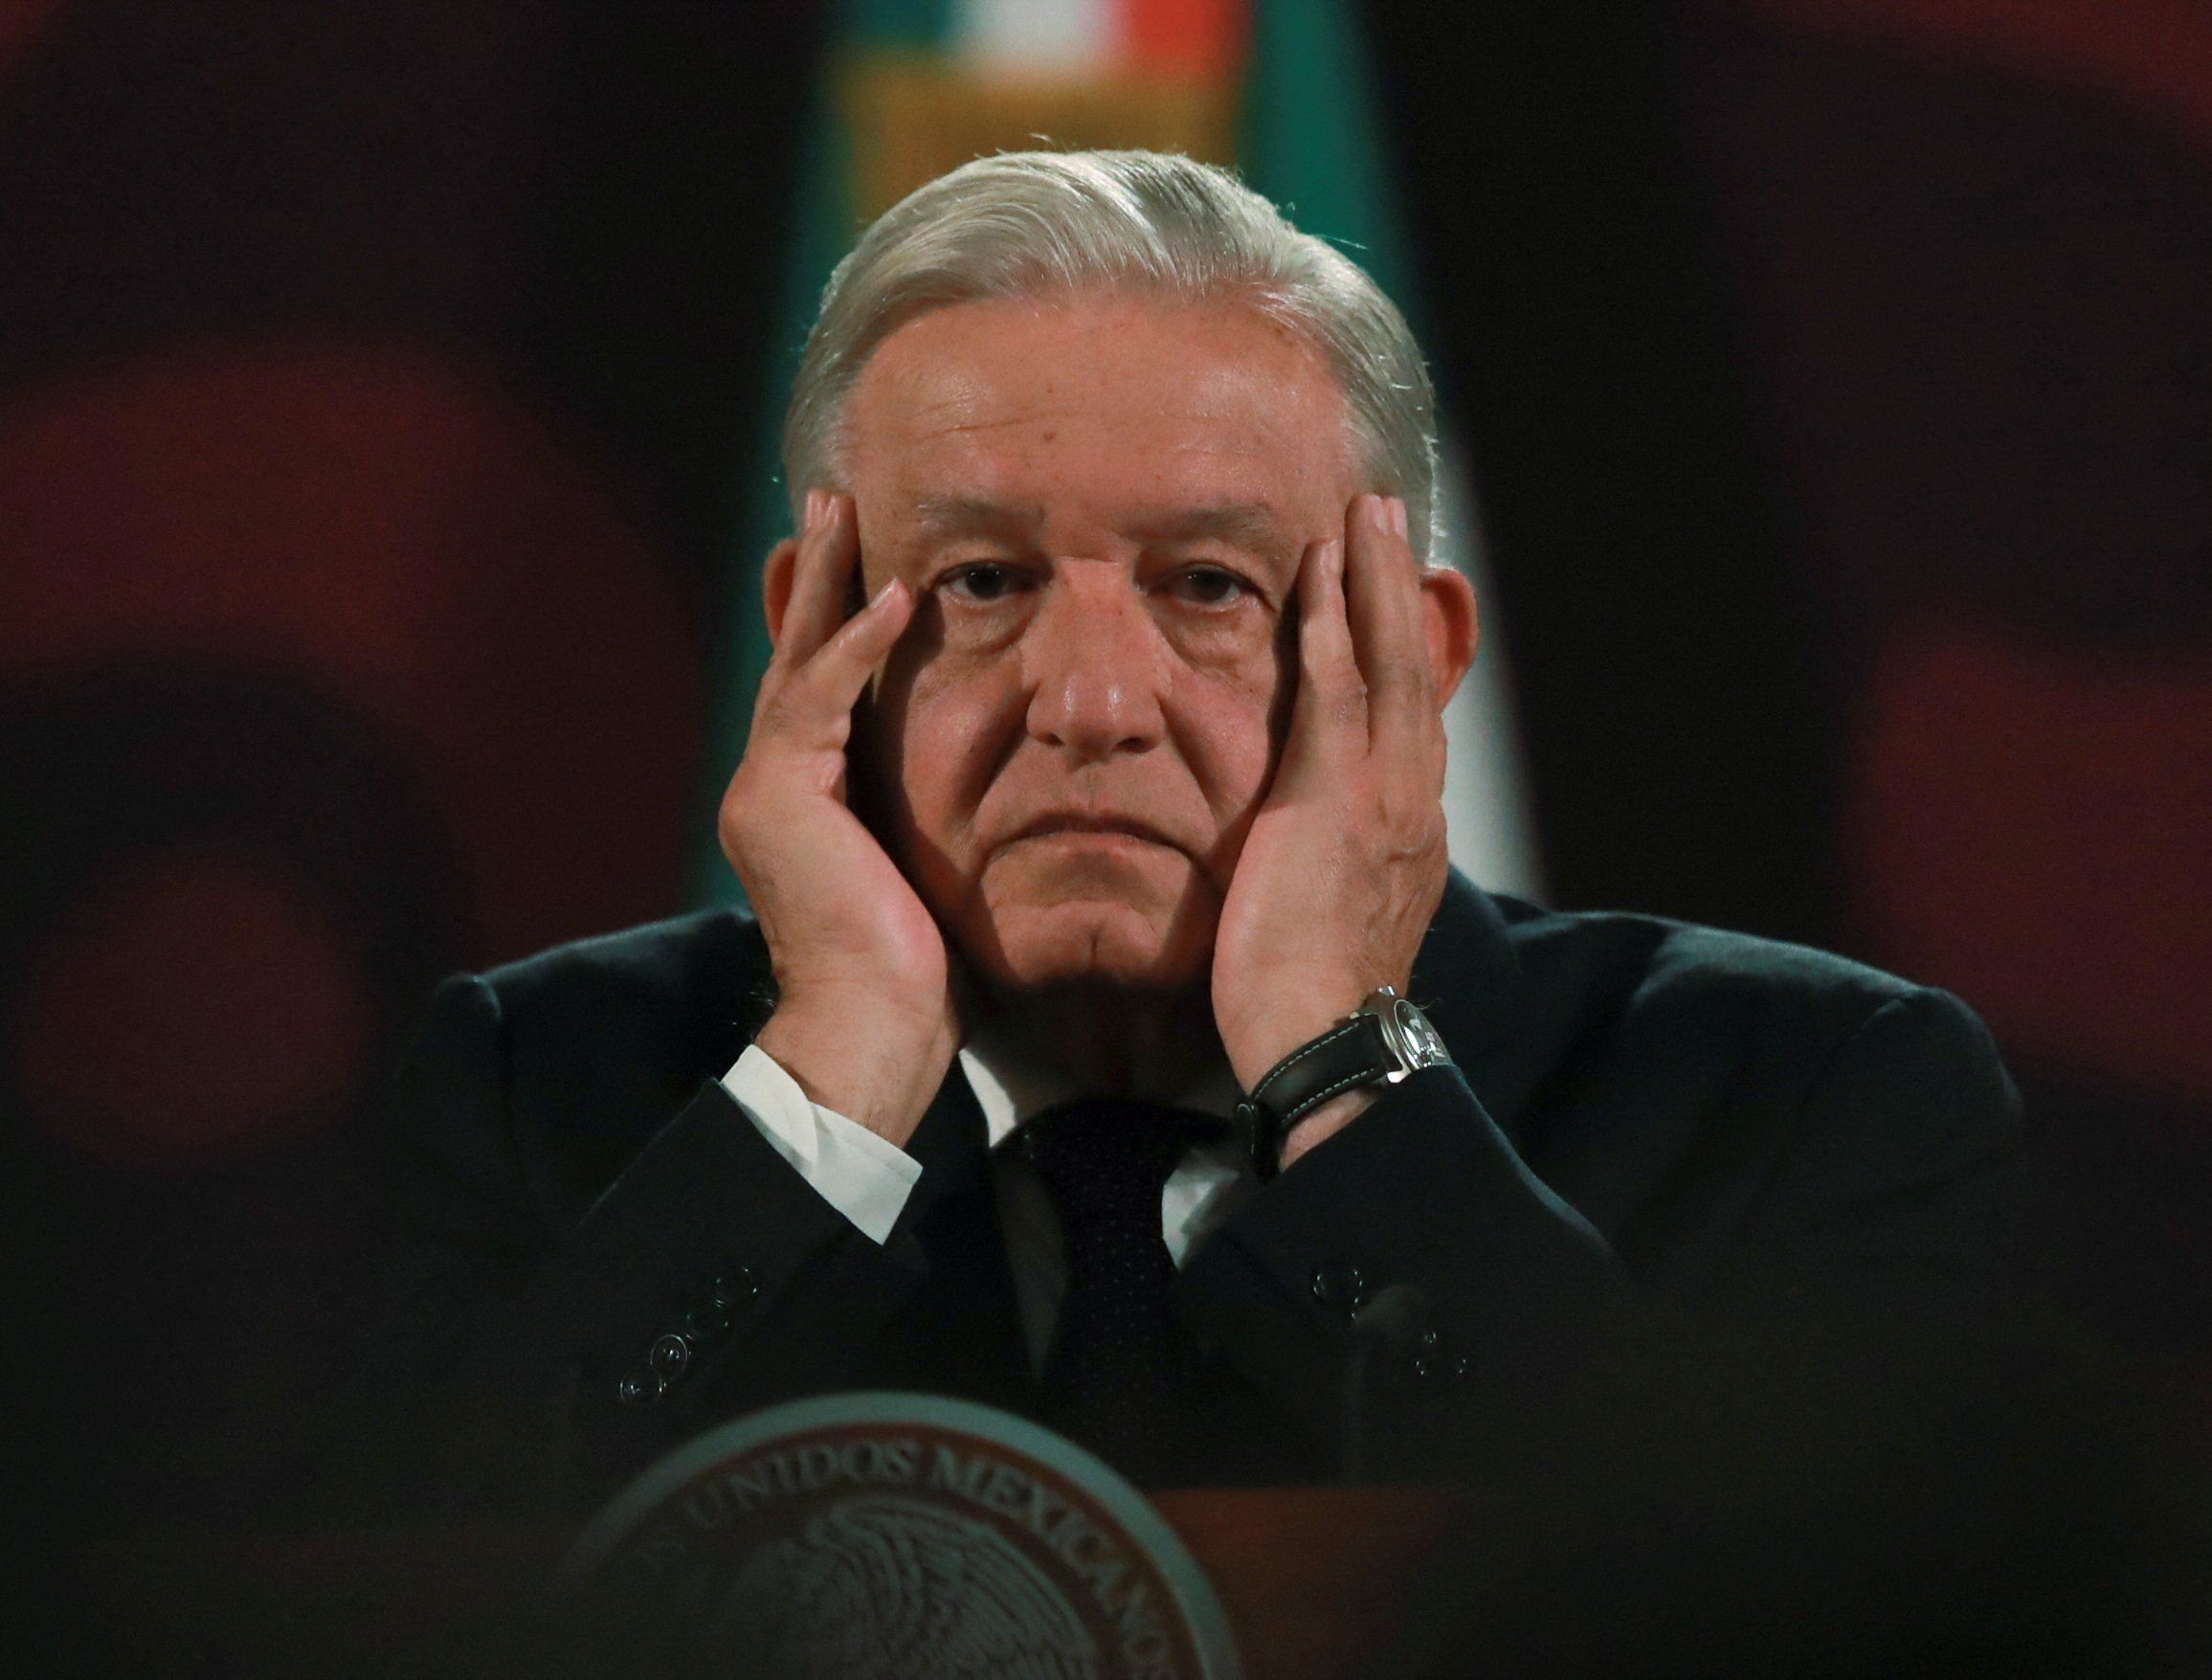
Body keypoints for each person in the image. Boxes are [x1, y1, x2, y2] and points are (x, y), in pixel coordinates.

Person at [346, 149, 2022, 1521]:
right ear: (811, 635)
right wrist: (832, 1077)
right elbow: (395, 1598)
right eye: (985, 582)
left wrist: (1343, 1065)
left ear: (1415, 658)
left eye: (1208, 585)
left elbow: (1753, 1627)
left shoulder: (1811, 1099)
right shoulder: (525, 1088)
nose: (1090, 702)